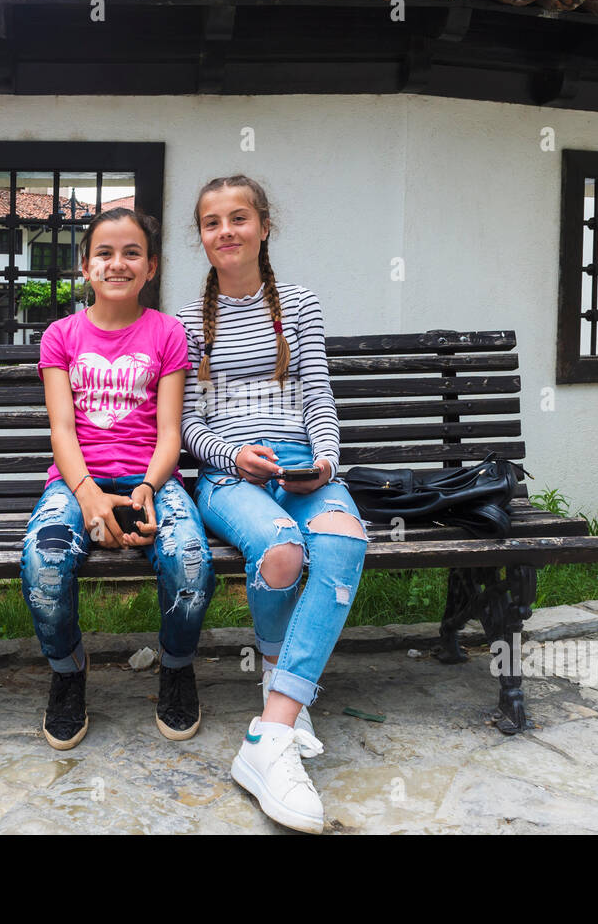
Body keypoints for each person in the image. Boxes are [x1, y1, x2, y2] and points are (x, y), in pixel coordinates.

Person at [178, 175, 369, 834]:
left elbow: (320, 400)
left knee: (344, 539)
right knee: (284, 550)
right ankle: (282, 693)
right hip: (230, 474)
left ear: (264, 226)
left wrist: (324, 461)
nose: (226, 230)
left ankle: (271, 728)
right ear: (201, 237)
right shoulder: (186, 323)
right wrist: (234, 459)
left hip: (301, 467)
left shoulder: (300, 304)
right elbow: (188, 429)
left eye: (239, 217)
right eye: (212, 222)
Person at [21, 206, 215, 751]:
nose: (118, 264)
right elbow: (62, 429)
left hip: (151, 480)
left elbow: (170, 432)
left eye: (132, 253)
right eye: (104, 253)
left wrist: (148, 489)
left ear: (150, 267)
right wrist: (88, 498)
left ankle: (176, 667)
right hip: (76, 481)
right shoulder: (61, 335)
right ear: (86, 266)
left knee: (191, 563)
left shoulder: (168, 333)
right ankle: (67, 671)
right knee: (44, 562)